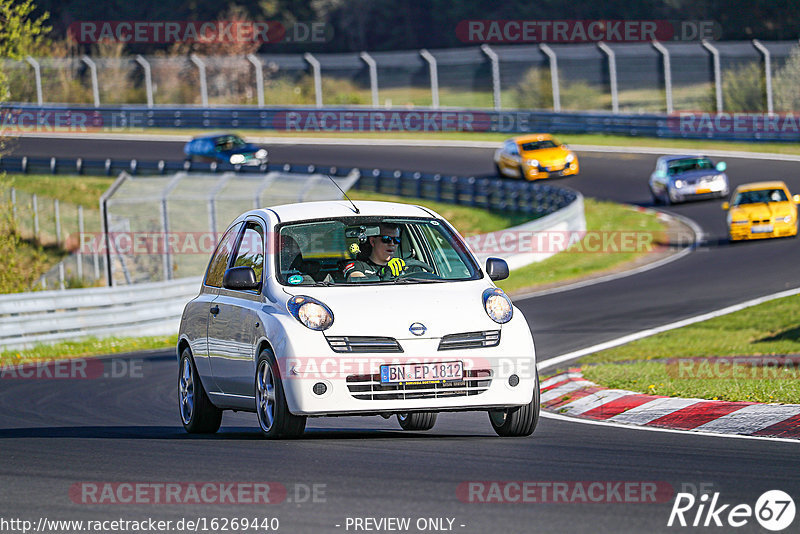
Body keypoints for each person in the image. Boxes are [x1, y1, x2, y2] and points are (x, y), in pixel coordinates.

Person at [344, 223, 432, 281]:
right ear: (372, 241)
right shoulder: (359, 266)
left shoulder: (409, 267)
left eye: (397, 240)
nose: (392, 244)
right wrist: (384, 272)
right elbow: (356, 280)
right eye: (386, 239)